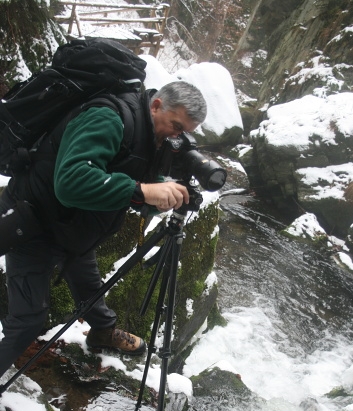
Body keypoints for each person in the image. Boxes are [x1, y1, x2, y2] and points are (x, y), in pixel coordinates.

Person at [0, 81, 207, 379]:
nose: (178, 136)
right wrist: (143, 191)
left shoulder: (151, 134)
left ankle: (102, 332)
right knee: (28, 321)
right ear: (157, 105)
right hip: (36, 223)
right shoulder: (108, 118)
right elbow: (71, 182)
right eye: (176, 126)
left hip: (76, 226)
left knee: (90, 285)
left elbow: (129, 176)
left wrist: (154, 198)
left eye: (185, 132)